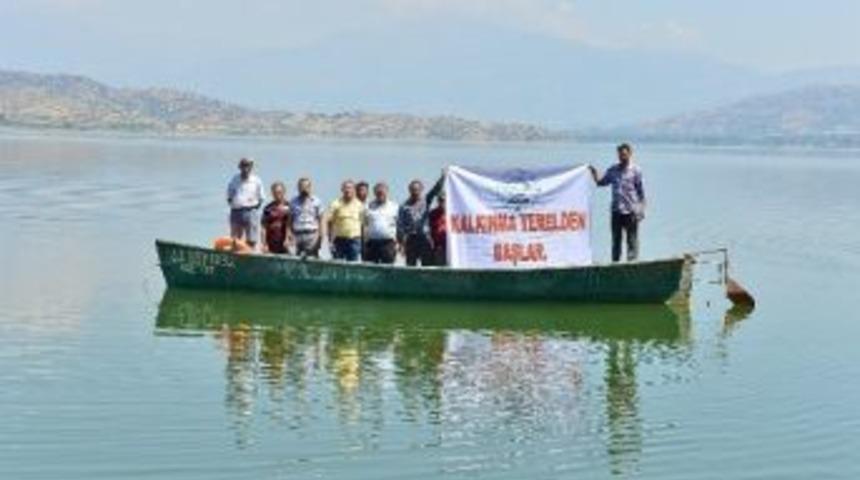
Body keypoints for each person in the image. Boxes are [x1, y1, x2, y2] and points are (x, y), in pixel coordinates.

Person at [589, 143, 646, 262]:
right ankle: (615, 265)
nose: (622, 157)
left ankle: (632, 266)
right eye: (620, 155)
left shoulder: (636, 171)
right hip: (616, 211)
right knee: (616, 241)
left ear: (630, 154)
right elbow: (601, 183)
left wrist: (641, 211)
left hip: (631, 212)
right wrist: (594, 173)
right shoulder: (613, 170)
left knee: (632, 241)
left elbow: (641, 193)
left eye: (624, 154)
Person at [397, 175, 443, 266]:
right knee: (410, 266)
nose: (415, 192)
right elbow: (400, 226)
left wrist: (443, 178)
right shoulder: (404, 206)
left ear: (421, 190)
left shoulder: (426, 200)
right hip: (411, 239)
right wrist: (401, 244)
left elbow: (435, 190)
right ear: (409, 190)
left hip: (424, 239)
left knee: (427, 265)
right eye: (413, 189)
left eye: (417, 189)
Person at [226, 158, 265, 249]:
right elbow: (229, 195)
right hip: (236, 211)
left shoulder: (257, 180)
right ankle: (237, 258)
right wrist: (234, 204)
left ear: (251, 167)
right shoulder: (234, 179)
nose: (245, 168)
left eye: (248, 165)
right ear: (240, 167)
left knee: (251, 239)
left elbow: (261, 198)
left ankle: (250, 257)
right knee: (235, 239)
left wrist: (253, 209)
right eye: (243, 165)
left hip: (251, 211)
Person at [326, 180, 365, 261]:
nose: (347, 190)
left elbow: (363, 225)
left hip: (355, 241)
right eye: (345, 188)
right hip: (339, 240)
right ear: (342, 190)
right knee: (338, 266)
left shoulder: (360, 205)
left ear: (354, 190)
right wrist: (330, 240)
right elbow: (329, 221)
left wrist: (363, 242)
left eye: (350, 188)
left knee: (353, 266)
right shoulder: (335, 204)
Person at [362, 182, 399, 264]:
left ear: (387, 192)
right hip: (372, 243)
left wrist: (399, 243)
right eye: (378, 193)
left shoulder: (394, 207)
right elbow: (364, 224)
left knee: (388, 269)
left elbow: (399, 226)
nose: (380, 194)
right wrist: (364, 242)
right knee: (369, 269)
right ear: (375, 193)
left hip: (388, 243)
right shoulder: (368, 206)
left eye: (382, 192)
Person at [288, 177, 323, 257]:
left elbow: (321, 220)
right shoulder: (293, 202)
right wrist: (289, 234)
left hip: (311, 235)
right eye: (301, 186)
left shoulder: (317, 201)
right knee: (296, 260)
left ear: (310, 187)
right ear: (298, 188)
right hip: (297, 235)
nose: (304, 189)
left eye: (306, 186)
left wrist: (320, 236)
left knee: (312, 259)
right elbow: (289, 220)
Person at [261, 181, 290, 254]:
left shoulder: (290, 207)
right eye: (275, 193)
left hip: (285, 244)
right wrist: (264, 244)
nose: (277, 195)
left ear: (284, 192)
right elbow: (263, 227)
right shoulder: (268, 208)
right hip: (271, 243)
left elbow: (291, 225)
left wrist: (288, 239)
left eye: (279, 192)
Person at [428, 187, 447, 266]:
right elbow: (428, 229)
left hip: (452, 246)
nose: (442, 202)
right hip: (438, 247)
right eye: (440, 200)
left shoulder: (454, 211)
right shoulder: (433, 213)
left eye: (443, 200)